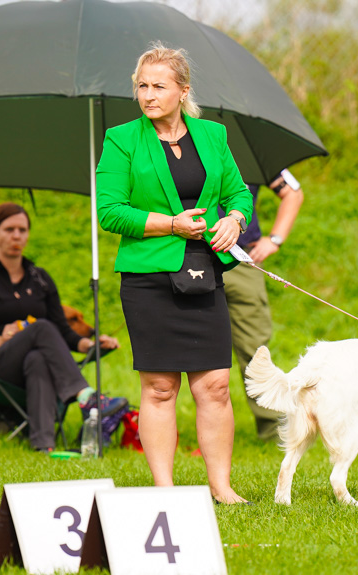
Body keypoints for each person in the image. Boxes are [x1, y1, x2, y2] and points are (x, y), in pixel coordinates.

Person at [95, 43, 253, 504]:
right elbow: (110, 212)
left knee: (216, 386)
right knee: (160, 387)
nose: (147, 95)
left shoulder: (213, 136)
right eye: (141, 86)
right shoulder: (121, 139)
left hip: (204, 270)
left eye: (158, 86)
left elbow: (240, 194)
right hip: (148, 279)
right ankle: (164, 491)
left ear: (182, 90)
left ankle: (221, 488)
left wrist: (233, 221)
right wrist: (171, 224)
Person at [0, 202, 125, 453]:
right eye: (9, 229)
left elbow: (63, 332)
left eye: (22, 229)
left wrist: (90, 344)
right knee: (40, 327)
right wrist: (1, 338)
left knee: (37, 357)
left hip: (29, 363)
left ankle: (43, 446)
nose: (16, 235)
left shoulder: (40, 279)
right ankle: (87, 398)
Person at [223, 169, 304, 441]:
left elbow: (292, 192)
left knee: (254, 347)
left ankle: (274, 431)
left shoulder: (250, 146)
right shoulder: (172, 140)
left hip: (242, 262)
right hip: (185, 260)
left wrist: (275, 239)